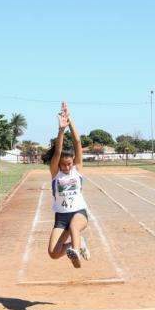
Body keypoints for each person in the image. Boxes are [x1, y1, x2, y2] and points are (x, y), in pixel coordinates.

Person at [45, 102, 89, 269]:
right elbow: (57, 152)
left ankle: (76, 251)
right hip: (61, 217)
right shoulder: (56, 173)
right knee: (53, 253)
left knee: (74, 227)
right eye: (63, 164)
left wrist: (70, 121)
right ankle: (76, 245)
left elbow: (77, 142)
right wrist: (61, 129)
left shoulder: (77, 169)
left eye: (69, 164)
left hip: (79, 212)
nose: (66, 167)